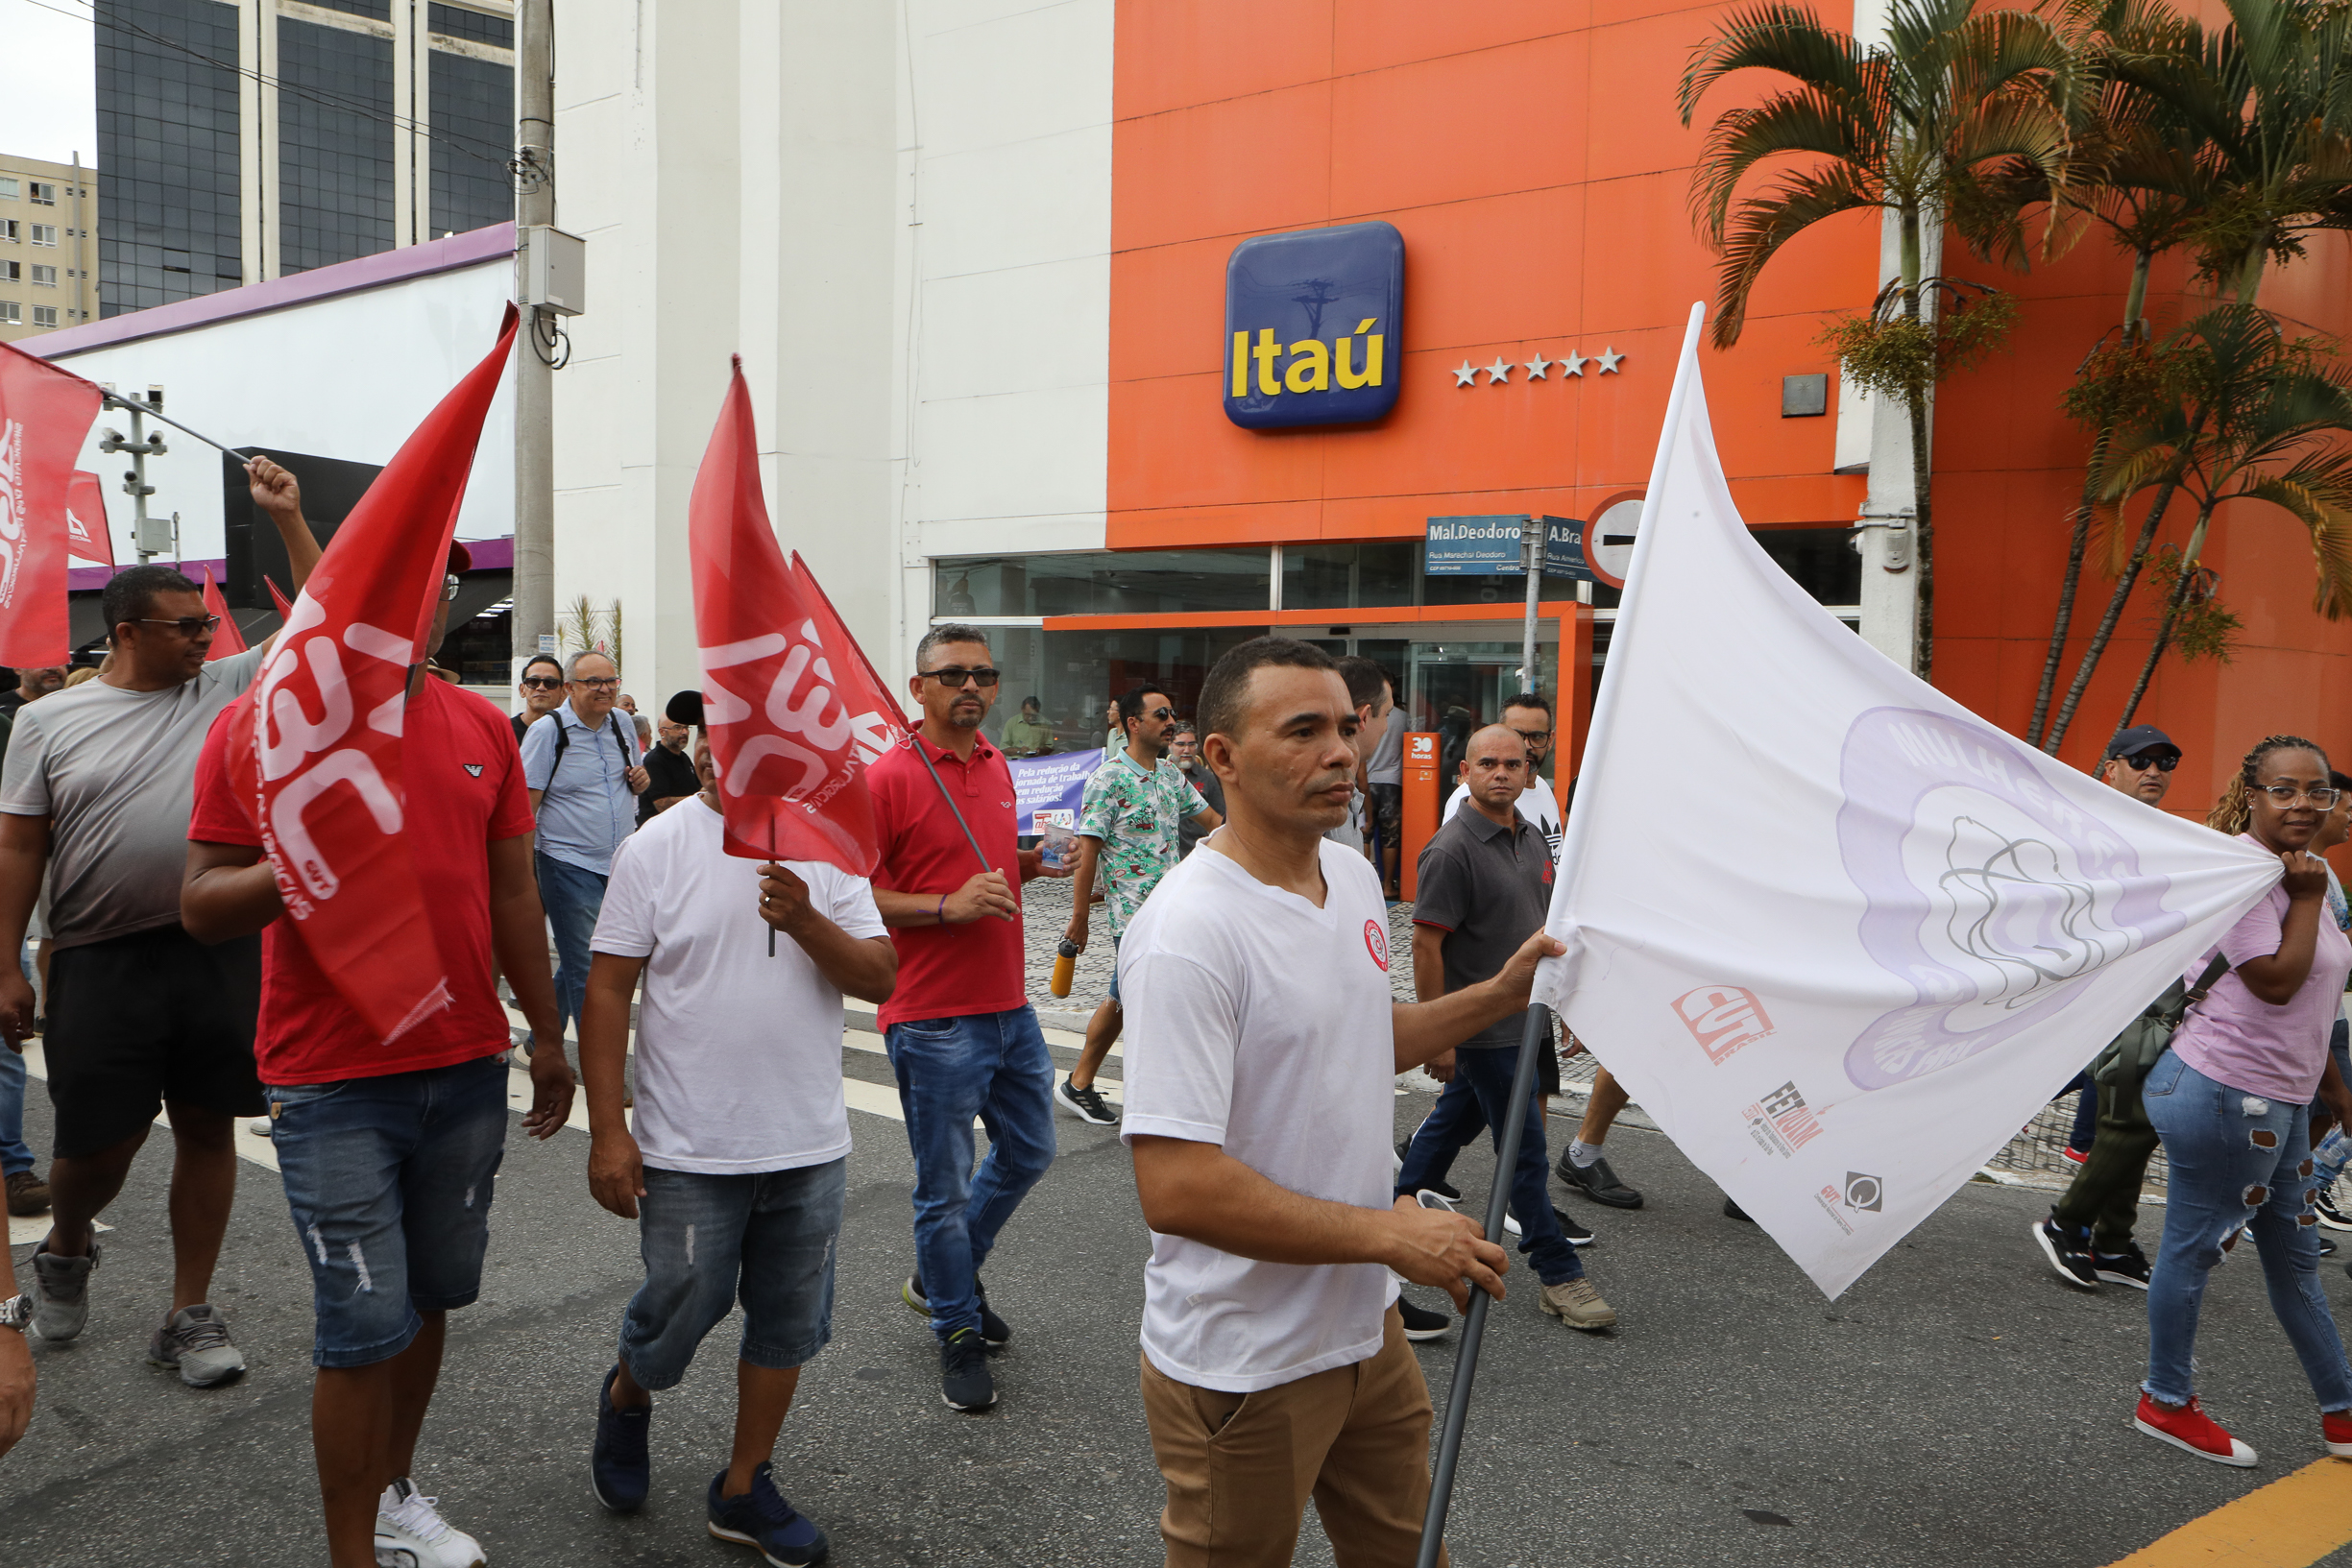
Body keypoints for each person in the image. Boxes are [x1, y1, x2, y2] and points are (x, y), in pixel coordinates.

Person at [1122, 637, 1564, 1567]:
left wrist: (1502, 992)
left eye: (1346, 725)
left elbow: (1363, 1034)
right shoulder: (1188, 931)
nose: (1341, 752)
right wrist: (1391, 1236)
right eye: (1303, 730)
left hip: (1367, 1333)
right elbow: (1177, 1187)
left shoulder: (1352, 876)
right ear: (1222, 757)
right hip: (1244, 1363)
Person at [182, 540, 574, 1567]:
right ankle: (349, 1549)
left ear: (445, 600)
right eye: (392, 579)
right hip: (332, 1077)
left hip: (464, 1065)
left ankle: (395, 1497)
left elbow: (515, 894)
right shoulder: (259, 727)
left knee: (431, 1299)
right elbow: (203, 904)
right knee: (360, 1324)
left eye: (433, 583)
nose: (415, 601)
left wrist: (546, 1028)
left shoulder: (484, 723)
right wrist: (313, 855)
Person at [0, 457, 318, 1387]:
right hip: (98, 956)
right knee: (96, 1147)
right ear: (127, 631)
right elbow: (19, 850)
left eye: (208, 625)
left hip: (215, 947)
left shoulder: (219, 688)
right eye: (188, 627)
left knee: (209, 1124)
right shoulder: (50, 723)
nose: (206, 638)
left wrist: (290, 516)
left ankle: (188, 1309)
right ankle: (66, 1242)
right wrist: (8, 965)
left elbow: (322, 615)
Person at [581, 700, 894, 1566]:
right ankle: (629, 1392)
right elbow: (607, 989)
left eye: (750, 739)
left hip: (807, 1143)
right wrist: (610, 1130)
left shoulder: (826, 846)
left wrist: (803, 917)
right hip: (689, 1144)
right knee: (680, 1304)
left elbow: (879, 976)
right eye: (716, 738)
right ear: (703, 747)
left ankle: (743, 1484)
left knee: (788, 1323)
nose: (730, 756)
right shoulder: (654, 847)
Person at [2131, 735, 2352, 1468]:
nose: (2301, 804)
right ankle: (2163, 1401)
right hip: (2225, 1095)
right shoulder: (2242, 875)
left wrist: (2335, 1092)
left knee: (2294, 1262)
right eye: (2282, 789)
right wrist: (2308, 896)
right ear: (2250, 792)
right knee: (2192, 1251)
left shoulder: (2303, 870)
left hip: (2278, 1102)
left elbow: (2312, 1005)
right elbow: (2276, 981)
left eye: (2315, 791)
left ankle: (2343, 1413)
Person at [866, 624, 1064, 1412]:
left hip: (1007, 1005)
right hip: (932, 1015)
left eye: (982, 673)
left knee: (1030, 1149)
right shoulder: (888, 777)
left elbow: (978, 863)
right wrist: (948, 907)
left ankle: (940, 1275)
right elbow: (858, 894)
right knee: (940, 1189)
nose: (971, 686)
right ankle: (953, 1323)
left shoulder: (995, 763)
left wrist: (1029, 864)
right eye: (952, 675)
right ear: (918, 688)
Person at [1397, 724, 1615, 1333]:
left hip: (1527, 1020)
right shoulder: (1449, 849)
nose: (1501, 773)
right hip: (1481, 1029)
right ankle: (1557, 1270)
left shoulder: (1533, 838)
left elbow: (1544, 934)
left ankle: (1388, 1217)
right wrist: (1436, 1034)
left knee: (1445, 1133)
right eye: (1487, 763)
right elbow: (1424, 944)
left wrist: (1568, 1006)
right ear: (1462, 773)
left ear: (1529, 773)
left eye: (1513, 764)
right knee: (1523, 1153)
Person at [2031, 724, 2192, 1291]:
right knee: (2123, 1120)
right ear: (2111, 767)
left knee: (2132, 1119)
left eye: (2165, 762)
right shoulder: (2082, 830)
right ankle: (2071, 1226)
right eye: (2141, 760)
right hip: (2077, 1001)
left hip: (2142, 1004)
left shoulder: (2176, 838)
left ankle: (2112, 1241)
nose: (2155, 771)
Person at [1059, 686, 1222, 1125]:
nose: (1172, 722)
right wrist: (1079, 920)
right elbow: (1088, 851)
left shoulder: (1170, 775)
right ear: (1134, 724)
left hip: (1172, 911)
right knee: (1151, 1002)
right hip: (1131, 917)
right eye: (1161, 714)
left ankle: (1078, 1083)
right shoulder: (1108, 779)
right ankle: (1160, 1102)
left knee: (1123, 999)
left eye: (1172, 713)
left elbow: (1213, 823)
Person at [521, 651, 648, 1041]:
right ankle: (604, 1078)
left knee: (583, 962)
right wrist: (524, 877)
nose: (605, 689)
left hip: (619, 863)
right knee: (590, 972)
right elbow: (526, 806)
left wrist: (639, 780)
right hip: (566, 863)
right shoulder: (548, 732)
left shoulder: (623, 724)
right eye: (594, 682)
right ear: (571, 689)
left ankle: (541, 1041)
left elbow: (631, 782)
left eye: (611, 681)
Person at [1366, 674, 1407, 898]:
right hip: (1392, 783)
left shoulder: (1366, 713)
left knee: (1364, 833)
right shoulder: (1403, 718)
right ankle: (1388, 885)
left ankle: (1362, 885)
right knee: (1391, 836)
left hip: (1367, 782)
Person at [1171, 723, 1224, 860]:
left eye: (1191, 744)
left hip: (1196, 856)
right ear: (1170, 745)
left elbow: (1220, 821)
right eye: (1181, 744)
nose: (1187, 750)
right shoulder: (1158, 775)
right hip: (1166, 857)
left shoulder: (1207, 778)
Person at [637, 712, 700, 825]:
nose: (684, 732)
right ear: (662, 732)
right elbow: (661, 804)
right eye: (677, 727)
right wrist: (698, 799)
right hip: (659, 829)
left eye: (686, 727)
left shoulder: (684, 757)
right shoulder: (654, 760)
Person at [512, 654, 566, 744]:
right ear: (522, 690)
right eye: (533, 682)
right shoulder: (505, 731)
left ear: (563, 692)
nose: (541, 688)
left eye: (550, 683)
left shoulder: (570, 734)